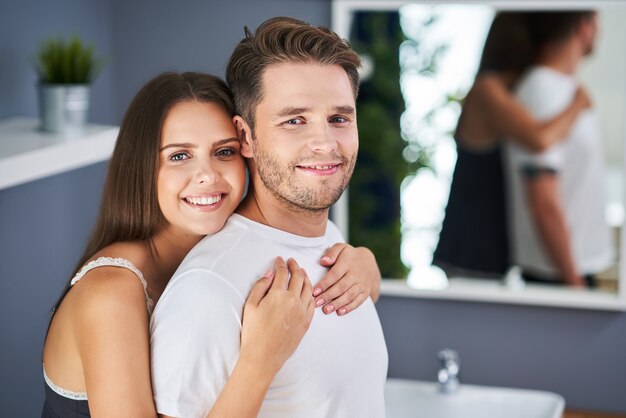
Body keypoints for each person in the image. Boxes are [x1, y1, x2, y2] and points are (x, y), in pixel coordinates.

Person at [41, 72, 382, 417]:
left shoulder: (226, 252)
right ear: (142, 167)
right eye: (178, 156)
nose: (208, 175)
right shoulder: (110, 291)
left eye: (223, 151)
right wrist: (259, 359)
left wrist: (365, 264)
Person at [150, 17, 388, 418]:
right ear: (246, 137)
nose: (325, 143)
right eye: (294, 120)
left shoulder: (328, 239)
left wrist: (369, 271)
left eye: (339, 118)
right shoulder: (210, 287)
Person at [433, 11, 591, 278]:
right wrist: (578, 103)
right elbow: (539, 139)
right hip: (472, 246)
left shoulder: (509, 92)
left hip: (489, 246)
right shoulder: (488, 89)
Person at [506, 11, 614, 287]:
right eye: (597, 21)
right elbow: (543, 202)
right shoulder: (541, 88)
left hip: (574, 270)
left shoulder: (569, 90)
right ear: (583, 26)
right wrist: (574, 284)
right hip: (560, 276)